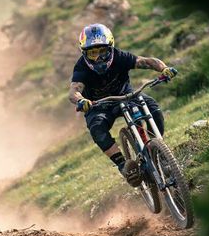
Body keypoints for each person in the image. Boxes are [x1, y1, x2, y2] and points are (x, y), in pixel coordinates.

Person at [69, 24, 176, 187]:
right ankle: (123, 165)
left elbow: (146, 61)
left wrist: (164, 68)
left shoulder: (120, 57)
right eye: (92, 53)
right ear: (84, 53)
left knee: (153, 107)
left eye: (102, 51)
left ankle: (159, 150)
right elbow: (74, 90)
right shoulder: (81, 67)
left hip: (127, 96)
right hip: (98, 106)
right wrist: (81, 100)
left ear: (110, 48)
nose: (98, 57)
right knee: (96, 129)